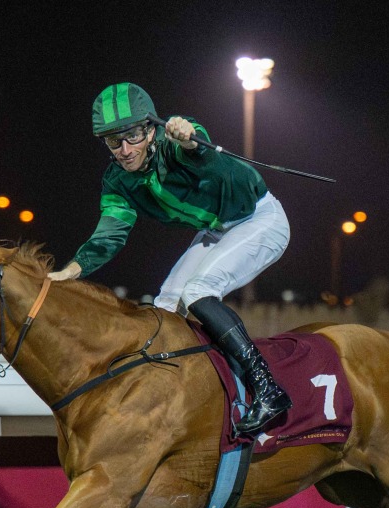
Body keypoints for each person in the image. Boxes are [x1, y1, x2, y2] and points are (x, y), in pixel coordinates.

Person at [49, 82, 291, 436]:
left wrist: (189, 139)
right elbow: (110, 233)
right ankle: (174, 394)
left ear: (151, 129)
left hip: (259, 219)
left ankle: (267, 387)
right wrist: (70, 271)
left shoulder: (173, 143)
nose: (125, 150)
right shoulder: (117, 182)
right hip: (218, 229)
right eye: (114, 141)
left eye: (132, 136)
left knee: (198, 291)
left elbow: (202, 155)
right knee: (166, 306)